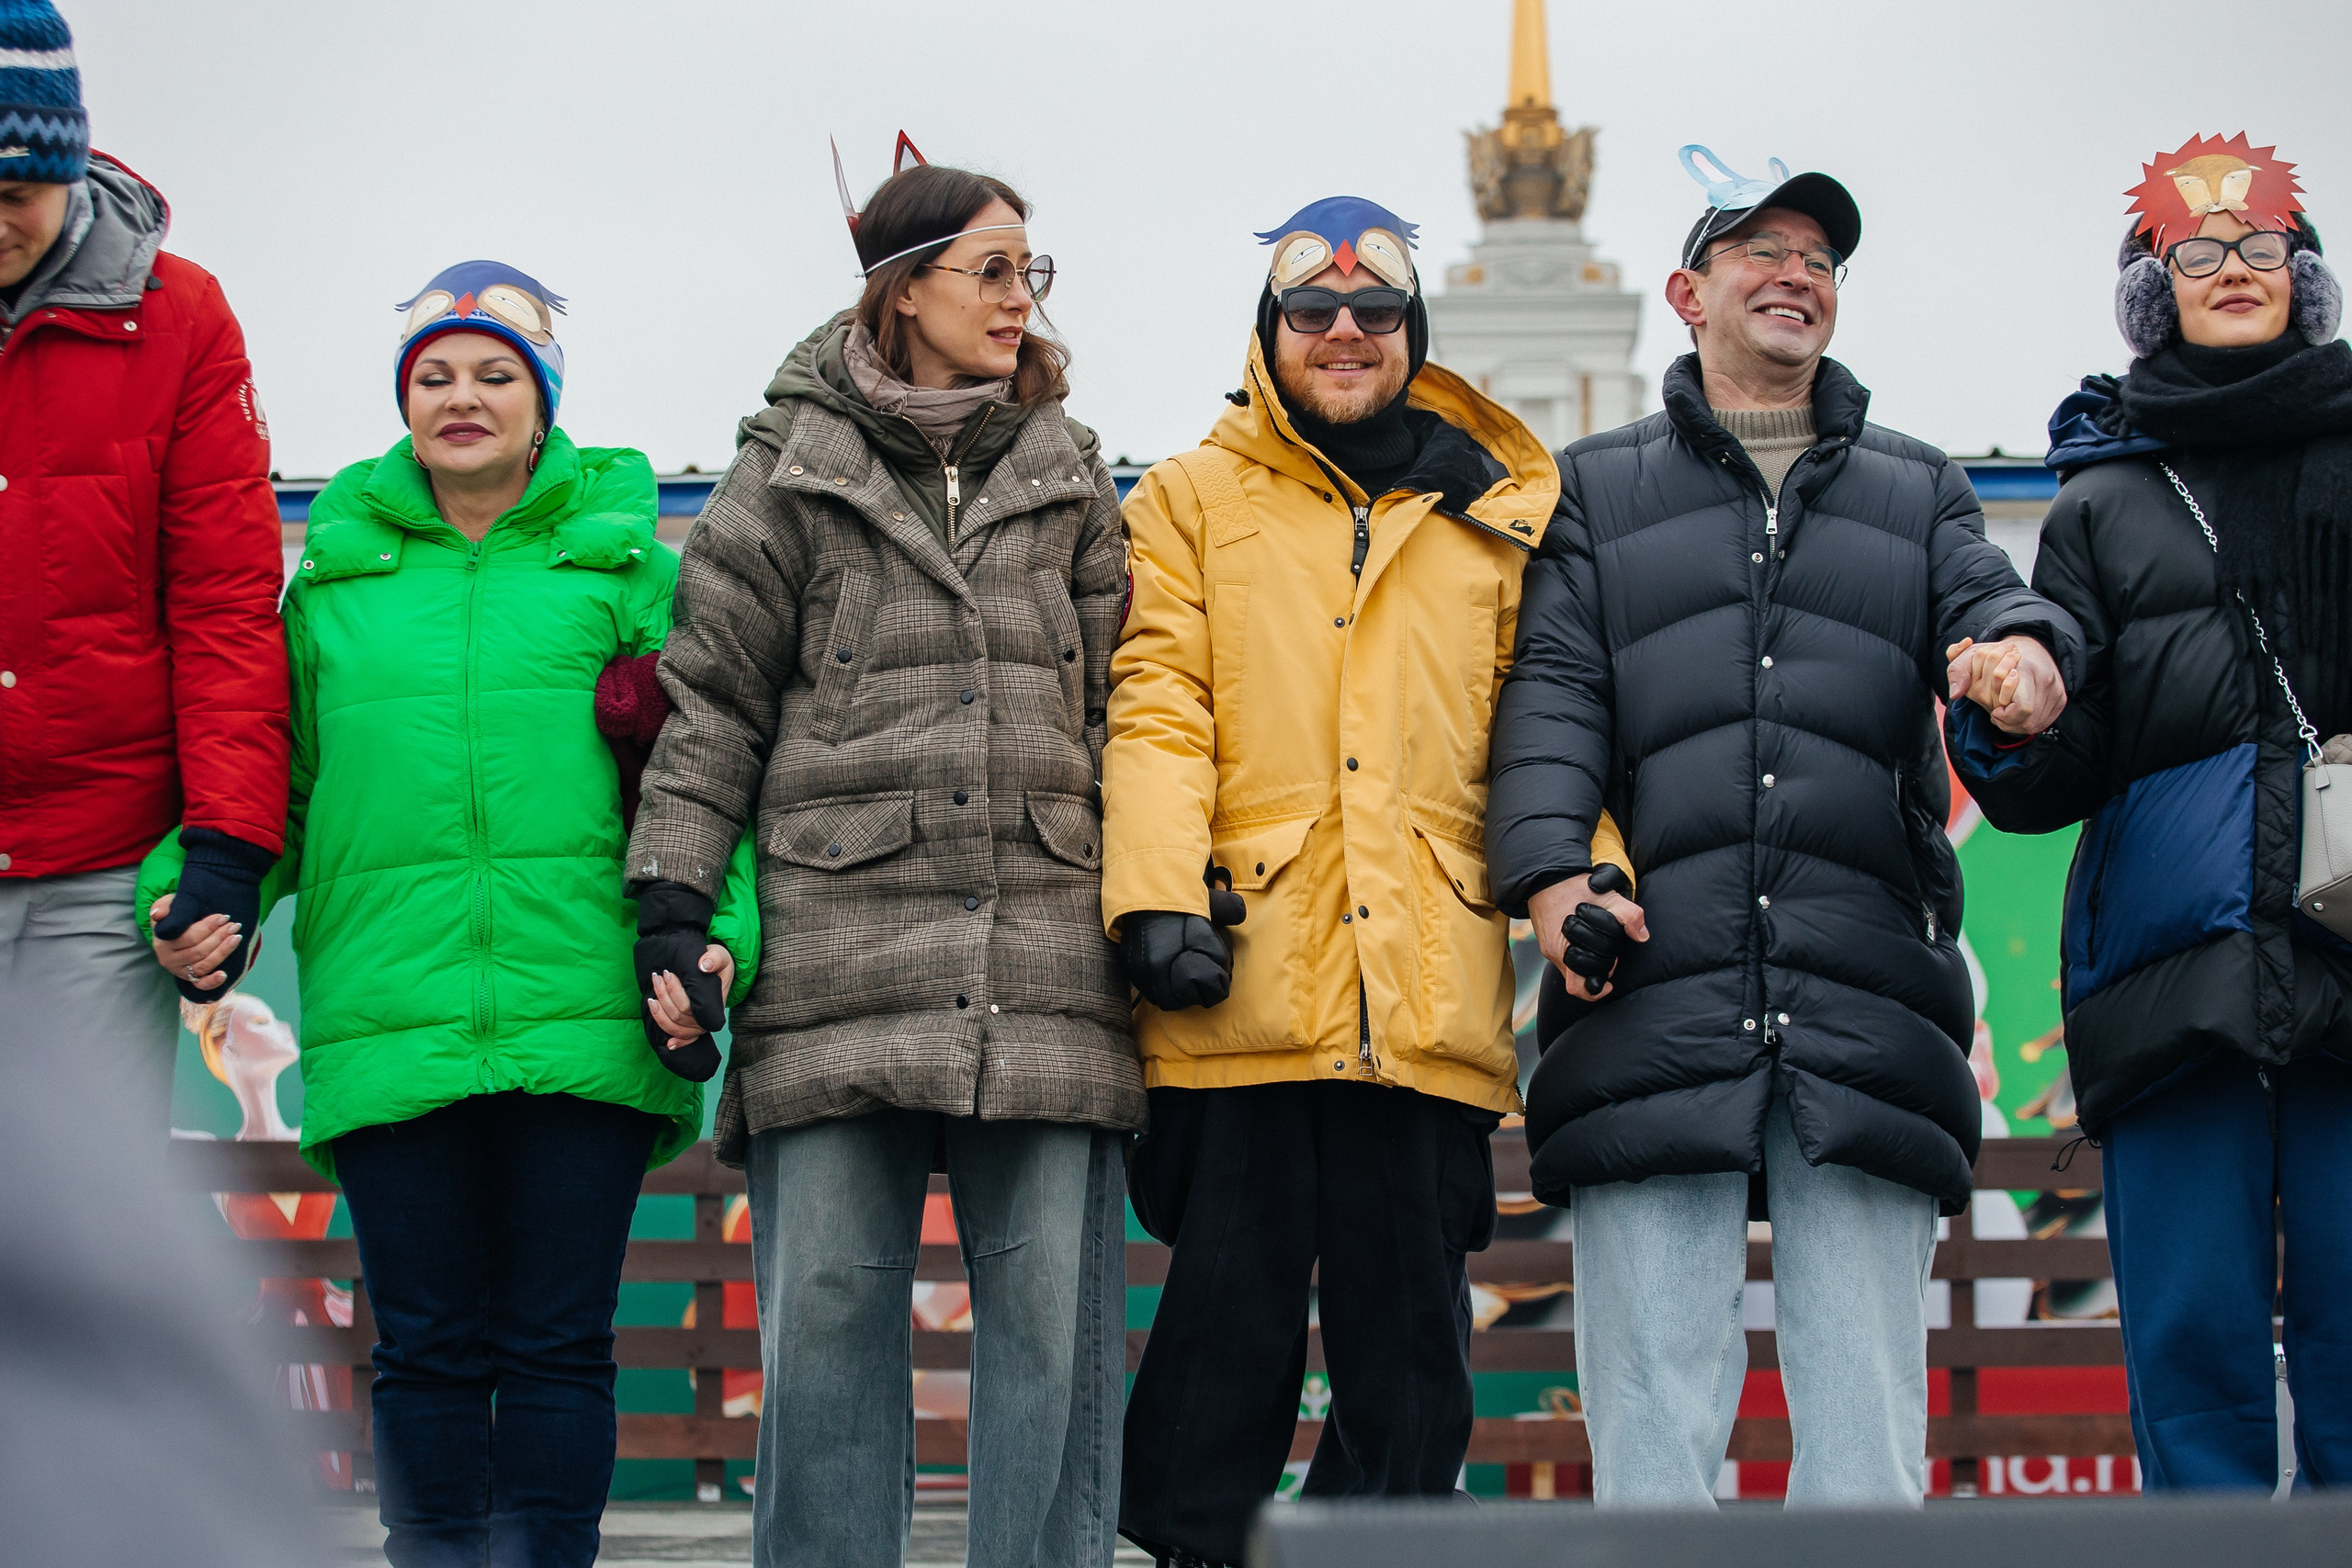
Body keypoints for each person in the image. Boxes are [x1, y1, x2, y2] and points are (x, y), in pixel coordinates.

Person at [1484, 146, 2081, 1507]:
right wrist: (1548, 883)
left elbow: (1997, 601)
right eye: (1763, 251)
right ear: (1691, 293)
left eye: (1818, 259)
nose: (1794, 276)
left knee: (1867, 1410)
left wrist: (2024, 655)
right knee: (1650, 1404)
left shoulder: (1917, 489)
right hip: (1654, 984)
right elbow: (1552, 704)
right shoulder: (1592, 488)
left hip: (1865, 985)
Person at [141, 262, 758, 1567]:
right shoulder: (333, 590)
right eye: (434, 375)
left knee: (553, 1341)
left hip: (581, 1006)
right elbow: (272, 778)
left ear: (545, 406)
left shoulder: (635, 573)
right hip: (392, 1011)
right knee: (423, 1344)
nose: (462, 397)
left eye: (495, 374)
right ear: (402, 400)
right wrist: (188, 890)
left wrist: (719, 936)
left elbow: (707, 778)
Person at [1102, 196, 1631, 1567]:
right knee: (1228, 1313)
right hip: (1244, 972)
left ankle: (1375, 1547)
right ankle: (1194, 1548)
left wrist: (1593, 875)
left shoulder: (1497, 517)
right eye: (1313, 312)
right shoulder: (1186, 497)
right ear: (1269, 335)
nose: (1345, 333)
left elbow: (1556, 719)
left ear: (1414, 333)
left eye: (1377, 312)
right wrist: (1155, 893)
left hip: (1424, 980)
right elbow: (1157, 704)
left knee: (1412, 1338)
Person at [628, 145, 1135, 1568]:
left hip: (1045, 959)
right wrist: (675, 901)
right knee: (830, 1332)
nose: (1019, 297)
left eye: (1033, 271)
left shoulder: (1074, 467)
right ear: (901, 291)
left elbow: (1126, 702)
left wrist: (1161, 890)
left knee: (1052, 1346)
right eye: (991, 268)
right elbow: (710, 697)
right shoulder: (785, 469)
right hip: (836, 957)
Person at [1953, 134, 2352, 1491]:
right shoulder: (2104, 500)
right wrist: (2013, 711)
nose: (2232, 270)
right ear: (2152, 290)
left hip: (2351, 969)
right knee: (2196, 1372)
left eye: (2261, 250)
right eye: (2197, 252)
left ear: (2302, 279)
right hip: (2171, 988)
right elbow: (2053, 784)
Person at [0, 0, 287, 1130]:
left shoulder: (180, 320)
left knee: (68, 1216)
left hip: (96, 855)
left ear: (67, 170)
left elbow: (223, 607)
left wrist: (225, 846)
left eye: (12, 196)